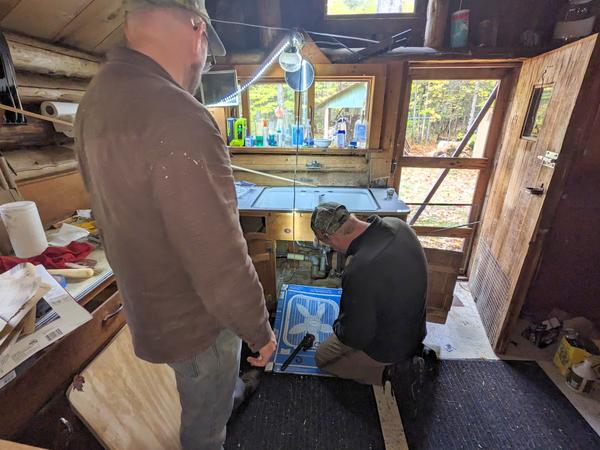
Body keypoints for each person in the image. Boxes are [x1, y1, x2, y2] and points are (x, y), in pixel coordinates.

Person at [74, 1, 276, 449]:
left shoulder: (96, 101)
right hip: (197, 326)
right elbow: (219, 257)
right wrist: (259, 331)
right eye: (206, 45)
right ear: (196, 30)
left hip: (151, 315)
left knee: (202, 396)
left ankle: (225, 399)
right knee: (205, 430)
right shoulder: (179, 115)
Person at [311, 203, 435, 393]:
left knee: (323, 358)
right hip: (416, 330)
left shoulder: (360, 270)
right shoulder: (398, 225)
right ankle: (414, 354)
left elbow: (355, 337)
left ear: (332, 237)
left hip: (391, 346)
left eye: (327, 243)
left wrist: (337, 325)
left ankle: (394, 372)